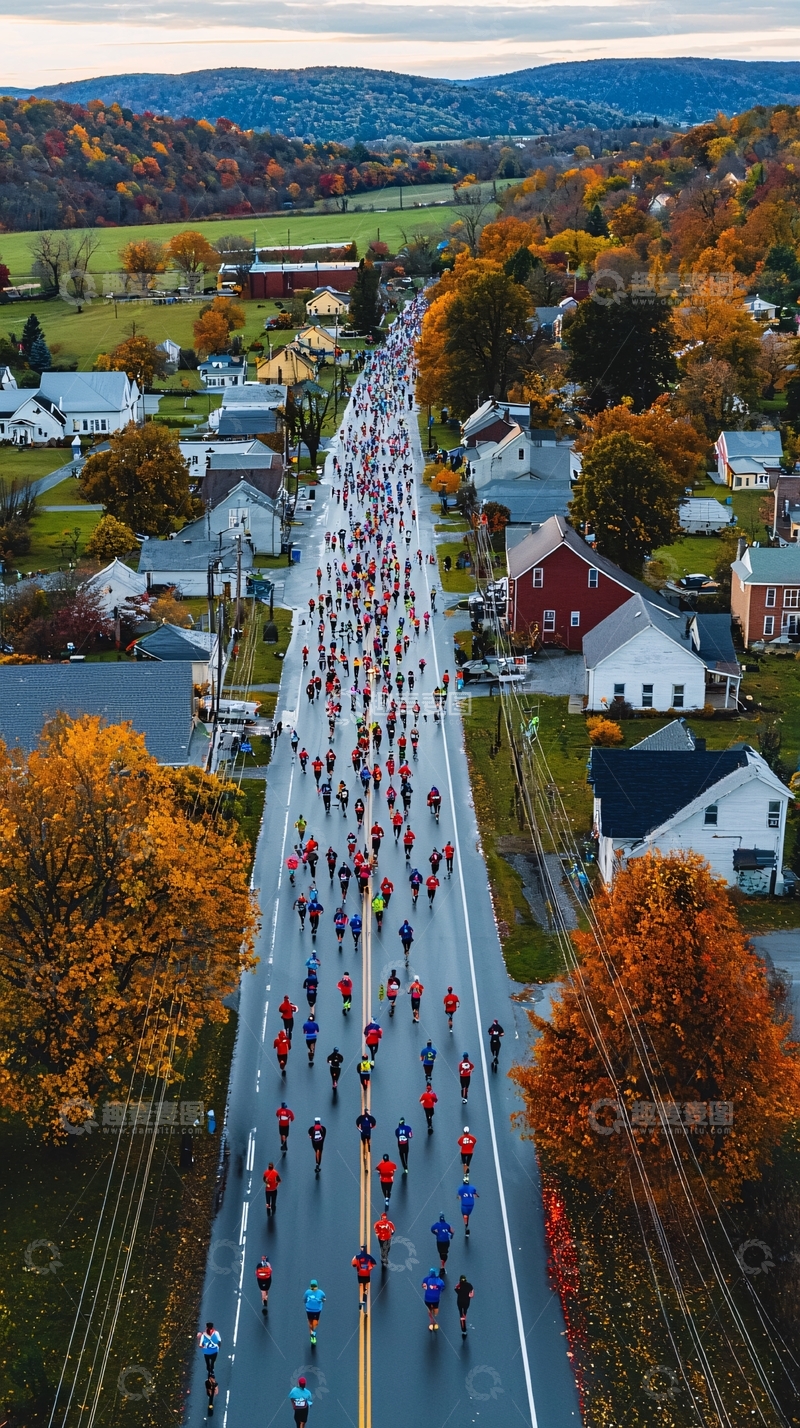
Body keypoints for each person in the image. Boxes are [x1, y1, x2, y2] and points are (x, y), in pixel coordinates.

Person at [352, 1245, 377, 1311]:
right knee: (366, 1286)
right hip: (367, 1274)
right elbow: (374, 1264)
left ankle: (361, 1301)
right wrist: (370, 1268)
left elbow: (353, 1264)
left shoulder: (357, 1257)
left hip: (360, 1274)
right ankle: (364, 1297)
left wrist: (357, 1268)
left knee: (361, 1286)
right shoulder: (369, 1257)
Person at [303, 1279, 326, 1346]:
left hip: (309, 1310)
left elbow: (304, 1300)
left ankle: (312, 1333)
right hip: (317, 1310)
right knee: (315, 1322)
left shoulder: (307, 1292)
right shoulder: (321, 1292)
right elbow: (324, 1299)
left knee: (310, 1321)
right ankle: (313, 1332)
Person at [455, 1275, 474, 1339]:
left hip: (459, 1302)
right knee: (465, 1311)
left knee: (460, 1312)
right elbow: (471, 1295)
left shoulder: (459, 1286)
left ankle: (463, 1329)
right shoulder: (469, 1285)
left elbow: (455, 1289)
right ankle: (464, 1316)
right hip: (466, 1302)